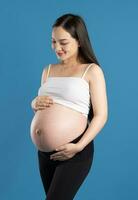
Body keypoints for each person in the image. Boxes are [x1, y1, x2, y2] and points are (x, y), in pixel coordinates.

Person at [31, 13, 108, 200]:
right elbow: (44, 106)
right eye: (53, 41)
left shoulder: (91, 71)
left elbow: (101, 115)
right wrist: (34, 103)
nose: (57, 48)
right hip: (45, 154)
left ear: (79, 41)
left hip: (74, 151)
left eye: (63, 42)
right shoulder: (48, 70)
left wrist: (79, 146)